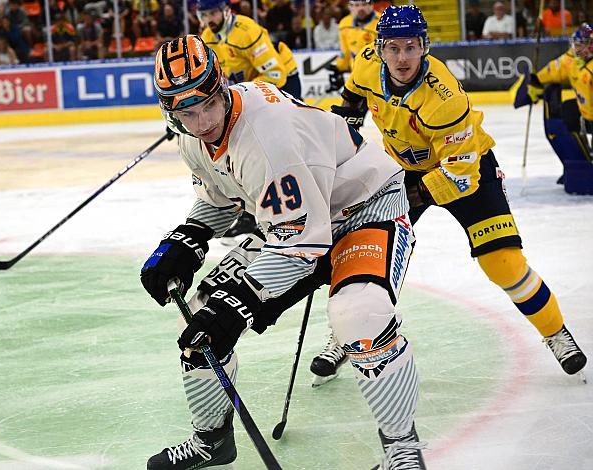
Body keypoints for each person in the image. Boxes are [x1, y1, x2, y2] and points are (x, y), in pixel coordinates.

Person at [142, 34, 426, 470]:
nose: (201, 123)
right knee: (202, 315)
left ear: (221, 87)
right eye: (186, 112)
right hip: (299, 222)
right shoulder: (191, 136)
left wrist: (238, 305)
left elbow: (302, 243)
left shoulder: (265, 138)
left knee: (360, 314)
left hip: (363, 208)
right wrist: (189, 236)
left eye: (207, 106)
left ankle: (404, 453)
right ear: (170, 111)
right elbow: (220, 197)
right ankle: (212, 440)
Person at [318, 5, 587, 384]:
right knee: (365, 252)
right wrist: (342, 139)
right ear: (379, 48)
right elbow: (351, 98)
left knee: (504, 263)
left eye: (410, 47)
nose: (401, 58)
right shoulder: (365, 64)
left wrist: (405, 195)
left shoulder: (445, 98)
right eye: (392, 48)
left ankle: (555, 333)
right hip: (405, 168)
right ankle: (346, 336)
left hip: (469, 170)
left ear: (424, 46)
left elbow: (459, 177)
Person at [197, 0, 303, 238]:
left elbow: (277, 74)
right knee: (237, 147)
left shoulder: (247, 31)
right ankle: (249, 212)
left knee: (272, 147)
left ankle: (286, 206)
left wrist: (236, 94)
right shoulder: (208, 36)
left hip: (284, 83)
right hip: (246, 91)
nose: (209, 19)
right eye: (204, 15)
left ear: (225, 10)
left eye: (212, 13)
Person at [514, 23, 593, 188]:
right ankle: (577, 167)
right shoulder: (572, 59)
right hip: (587, 115)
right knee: (563, 118)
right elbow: (553, 70)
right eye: (575, 44)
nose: (575, 48)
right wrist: (535, 83)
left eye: (580, 45)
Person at [327, 0, 379, 93]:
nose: (361, 8)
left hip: (377, 76)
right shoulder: (344, 24)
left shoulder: (382, 22)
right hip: (356, 75)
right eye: (357, 5)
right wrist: (338, 69)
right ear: (350, 7)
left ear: (371, 5)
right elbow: (345, 52)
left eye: (364, 4)